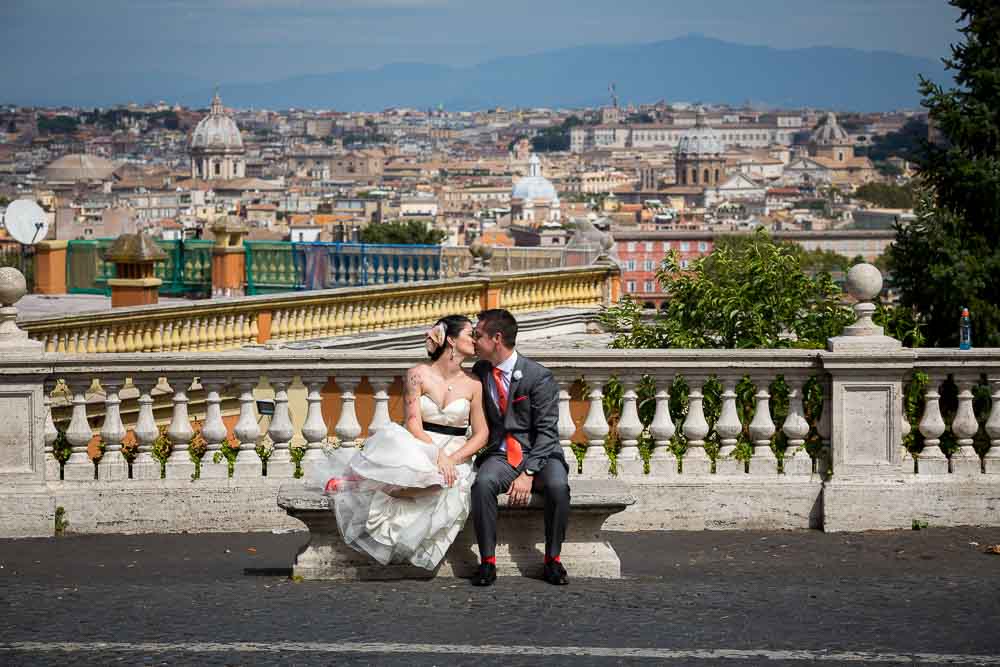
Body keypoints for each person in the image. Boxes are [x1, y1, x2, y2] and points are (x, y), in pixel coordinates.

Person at [318, 315, 488, 571]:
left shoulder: (475, 383)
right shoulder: (417, 375)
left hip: (457, 450)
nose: (475, 340)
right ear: (451, 340)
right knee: (420, 474)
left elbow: (481, 433)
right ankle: (360, 485)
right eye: (469, 334)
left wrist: (452, 459)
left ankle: (364, 487)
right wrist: (437, 455)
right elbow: (413, 423)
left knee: (444, 484)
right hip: (421, 441)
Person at [470, 308, 571, 587]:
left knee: (557, 487)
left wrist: (528, 473)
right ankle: (487, 562)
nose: (475, 340)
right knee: (483, 484)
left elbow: (548, 432)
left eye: (478, 335)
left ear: (497, 338)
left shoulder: (538, 376)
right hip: (502, 453)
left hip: (540, 452)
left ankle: (553, 560)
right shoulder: (480, 370)